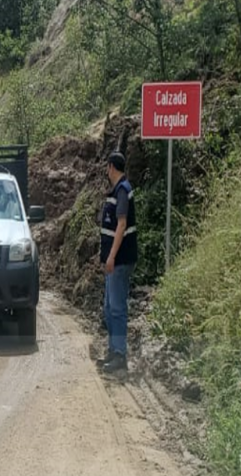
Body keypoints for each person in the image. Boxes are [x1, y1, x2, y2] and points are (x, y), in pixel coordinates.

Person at [98, 150, 137, 374]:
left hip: (120, 260)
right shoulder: (117, 190)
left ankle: (119, 355)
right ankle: (114, 351)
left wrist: (111, 256)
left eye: (107, 167)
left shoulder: (122, 190)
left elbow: (121, 225)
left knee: (117, 308)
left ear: (111, 167)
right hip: (114, 260)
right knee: (109, 307)